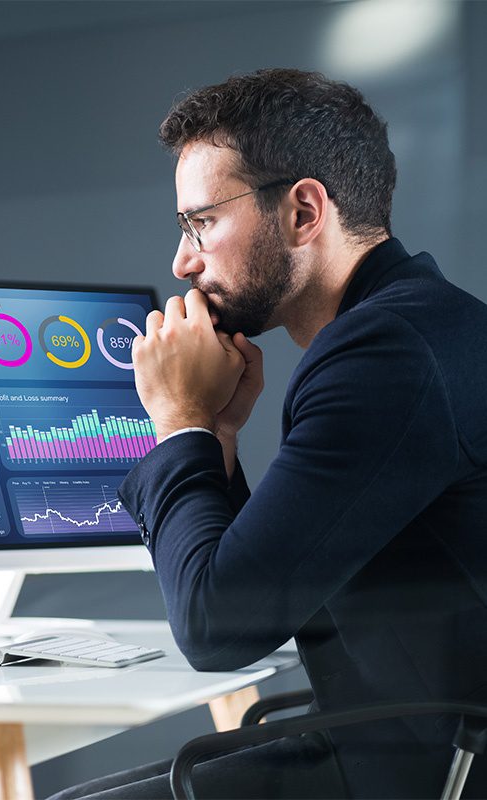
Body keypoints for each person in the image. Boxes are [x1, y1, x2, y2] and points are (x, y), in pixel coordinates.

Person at [52, 68, 487, 799]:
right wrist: (217, 433)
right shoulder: (417, 327)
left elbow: (216, 628)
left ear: (303, 211)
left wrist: (177, 420)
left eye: (202, 223)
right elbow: (268, 584)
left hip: (417, 766)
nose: (183, 262)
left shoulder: (384, 358)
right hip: (413, 739)